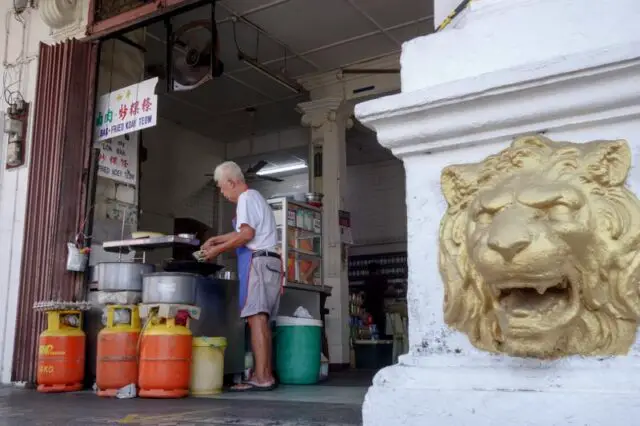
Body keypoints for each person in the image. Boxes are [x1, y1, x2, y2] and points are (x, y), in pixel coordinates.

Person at [201, 161, 282, 391]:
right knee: (262, 320)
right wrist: (217, 239)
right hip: (271, 262)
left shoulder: (245, 198)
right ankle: (264, 375)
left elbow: (246, 234)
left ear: (232, 182)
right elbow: (243, 232)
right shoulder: (256, 198)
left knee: (256, 319)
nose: (221, 192)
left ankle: (261, 377)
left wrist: (216, 251)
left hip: (259, 262)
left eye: (221, 186)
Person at [362, 262, 388, 338]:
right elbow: (386, 290)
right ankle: (381, 344)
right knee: (381, 329)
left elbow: (365, 293)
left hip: (369, 308)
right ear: (377, 270)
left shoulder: (367, 279)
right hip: (379, 307)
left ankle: (371, 343)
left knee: (370, 328)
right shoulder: (382, 278)